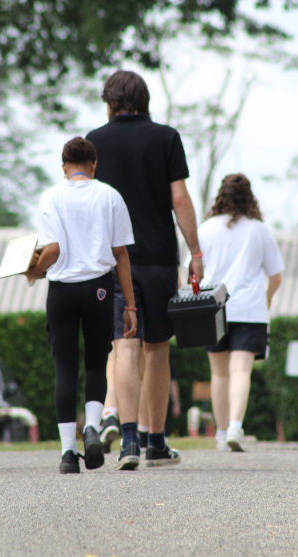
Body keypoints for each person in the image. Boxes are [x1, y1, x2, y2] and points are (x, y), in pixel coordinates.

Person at [87, 70, 203, 470]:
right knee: (157, 350)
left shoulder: (94, 142)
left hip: (111, 260)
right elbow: (180, 199)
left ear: (111, 101)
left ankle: (129, 441)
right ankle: (157, 442)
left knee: (124, 346)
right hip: (157, 259)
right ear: (144, 99)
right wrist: (196, 251)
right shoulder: (166, 137)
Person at [27, 137, 137, 474]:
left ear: (63, 167)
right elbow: (121, 254)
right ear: (93, 164)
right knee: (94, 362)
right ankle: (92, 426)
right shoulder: (110, 195)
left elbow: (53, 249)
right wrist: (130, 305)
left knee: (65, 367)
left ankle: (67, 454)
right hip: (99, 289)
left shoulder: (51, 196)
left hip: (61, 290)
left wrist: (33, 270)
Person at [198, 174, 283, 452]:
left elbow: (190, 271)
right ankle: (236, 426)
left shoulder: (207, 228)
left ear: (220, 196)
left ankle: (221, 435)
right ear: (250, 197)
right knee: (241, 370)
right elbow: (276, 276)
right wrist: (265, 301)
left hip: (213, 308)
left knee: (219, 374)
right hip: (250, 308)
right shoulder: (259, 230)